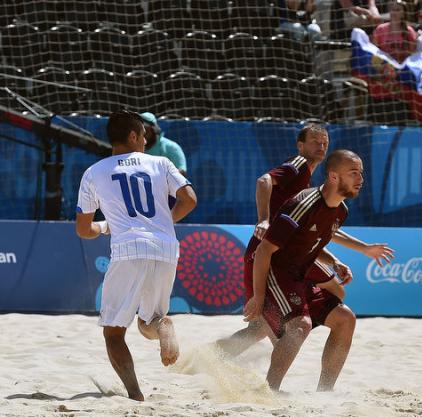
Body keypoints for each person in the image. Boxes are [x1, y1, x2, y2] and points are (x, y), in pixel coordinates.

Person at [216, 125, 394, 357]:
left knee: (268, 326)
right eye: (314, 141)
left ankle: (211, 356)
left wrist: (346, 256)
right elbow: (263, 181)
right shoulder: (299, 165)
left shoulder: (313, 188)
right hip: (269, 252)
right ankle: (230, 359)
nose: (321, 146)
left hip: (288, 252)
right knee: (277, 325)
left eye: (324, 142)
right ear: (300, 145)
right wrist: (264, 220)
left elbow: (317, 233)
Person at [75, 111, 198, 401]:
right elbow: (190, 199)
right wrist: (165, 222)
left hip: (128, 248)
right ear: (132, 136)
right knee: (149, 322)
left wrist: (105, 226)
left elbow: (83, 229)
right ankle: (162, 326)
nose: (145, 140)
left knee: (114, 333)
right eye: (143, 135)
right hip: (166, 247)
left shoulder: (94, 172)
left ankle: (135, 395)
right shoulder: (161, 162)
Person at [242, 150, 365, 391]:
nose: (360, 179)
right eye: (353, 173)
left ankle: (324, 392)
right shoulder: (303, 202)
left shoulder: (341, 211)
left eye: (361, 173)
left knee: (345, 318)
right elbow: (265, 251)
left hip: (300, 275)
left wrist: (335, 263)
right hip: (275, 273)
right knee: (300, 325)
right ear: (333, 177)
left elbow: (312, 243)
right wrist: (258, 296)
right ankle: (270, 390)